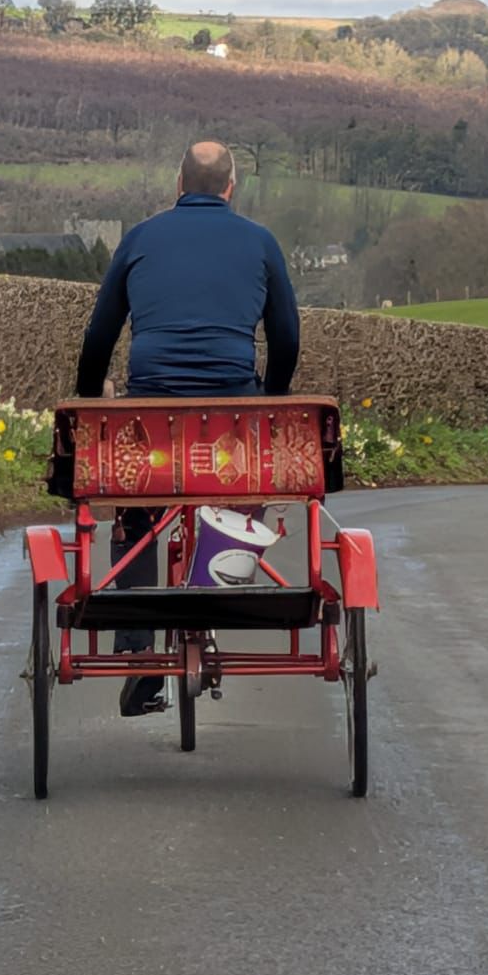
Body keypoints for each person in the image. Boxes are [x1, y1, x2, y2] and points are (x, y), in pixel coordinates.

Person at [75, 139, 300, 716]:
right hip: (233, 420)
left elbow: (99, 337)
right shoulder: (260, 242)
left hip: (152, 415)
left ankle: (138, 653)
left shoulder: (141, 239)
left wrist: (89, 401)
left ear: (178, 184)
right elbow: (287, 338)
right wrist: (270, 403)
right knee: (238, 489)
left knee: (137, 509)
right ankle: (222, 583)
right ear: (231, 188)